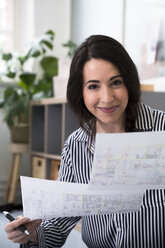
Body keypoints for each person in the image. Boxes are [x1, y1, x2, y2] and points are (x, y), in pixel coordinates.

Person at [4, 35, 165, 248]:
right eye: (93, 86)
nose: (107, 98)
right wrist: (31, 235)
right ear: (80, 92)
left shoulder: (161, 130)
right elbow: (58, 224)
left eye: (116, 82)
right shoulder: (75, 146)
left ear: (130, 83)